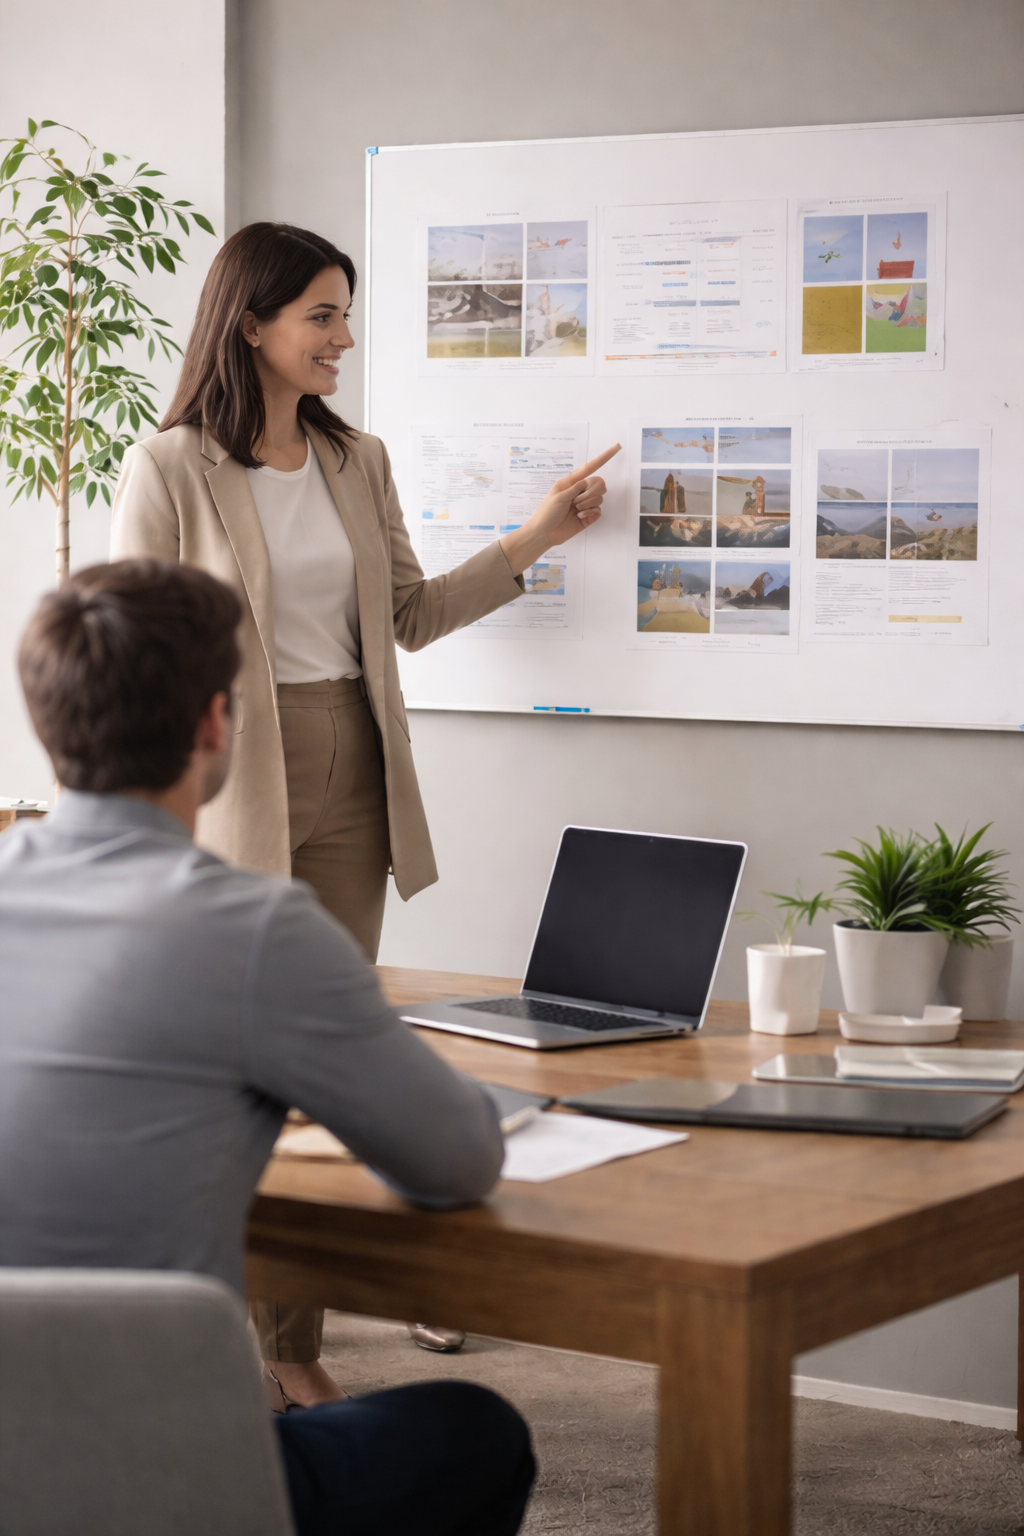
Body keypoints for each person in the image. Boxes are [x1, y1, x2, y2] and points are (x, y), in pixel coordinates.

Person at [110, 221, 617, 1399]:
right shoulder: (173, 465)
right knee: (242, 1063)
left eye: (346, 314)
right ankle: (252, 1343)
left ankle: (297, 1337)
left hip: (352, 759)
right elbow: (135, 641)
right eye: (322, 316)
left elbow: (410, 616)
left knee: (324, 1051)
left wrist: (539, 536)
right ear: (251, 325)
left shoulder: (357, 458)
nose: (344, 338)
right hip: (229, 765)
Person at [0, 559, 535, 1536]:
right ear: (215, 723)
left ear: (46, 724)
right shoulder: (253, 930)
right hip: (171, 1480)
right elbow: (458, 1157)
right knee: (472, 1430)